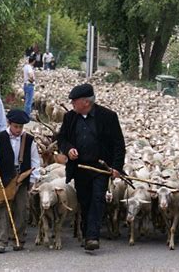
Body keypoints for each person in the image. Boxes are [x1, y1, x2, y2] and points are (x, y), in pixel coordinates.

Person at [58, 83, 125, 251]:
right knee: (85, 201)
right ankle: (86, 231)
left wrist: (116, 166)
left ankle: (92, 236)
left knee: (97, 199)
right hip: (80, 167)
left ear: (86, 102)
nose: (72, 104)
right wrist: (68, 149)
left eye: (75, 101)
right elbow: (62, 139)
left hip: (100, 167)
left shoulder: (108, 117)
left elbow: (118, 144)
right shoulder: (70, 118)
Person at [0, 109, 40, 253]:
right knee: (2, 209)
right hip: (3, 178)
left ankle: (18, 238)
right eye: (15, 126)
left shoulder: (29, 140)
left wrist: (33, 179)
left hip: (22, 179)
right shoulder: (0, 137)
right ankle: (1, 241)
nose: (18, 130)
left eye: (21, 127)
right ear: (9, 123)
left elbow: (35, 160)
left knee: (22, 209)